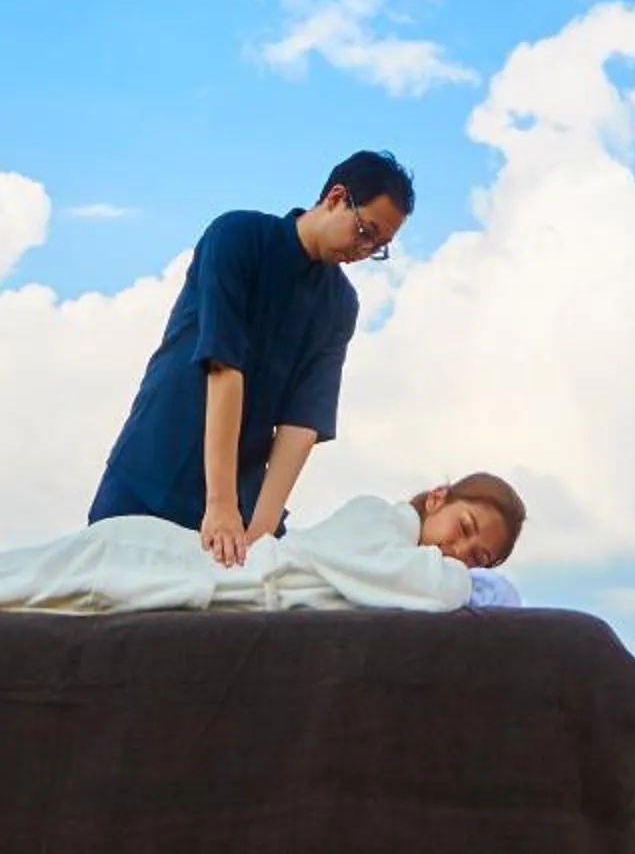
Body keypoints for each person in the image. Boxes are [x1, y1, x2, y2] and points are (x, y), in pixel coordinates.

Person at [87, 151, 412, 566]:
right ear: (335, 197)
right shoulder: (238, 236)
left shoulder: (340, 304)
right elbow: (224, 367)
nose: (364, 250)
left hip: (240, 503)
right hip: (151, 470)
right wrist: (219, 504)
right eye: (365, 231)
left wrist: (260, 529)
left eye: (379, 247)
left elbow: (303, 422)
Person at [0, 475, 525, 619]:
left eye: (482, 560)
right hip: (151, 565)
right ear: (437, 497)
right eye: (464, 534)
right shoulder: (382, 522)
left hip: (168, 571)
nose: (461, 560)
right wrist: (468, 588)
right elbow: (428, 591)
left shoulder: (402, 556)